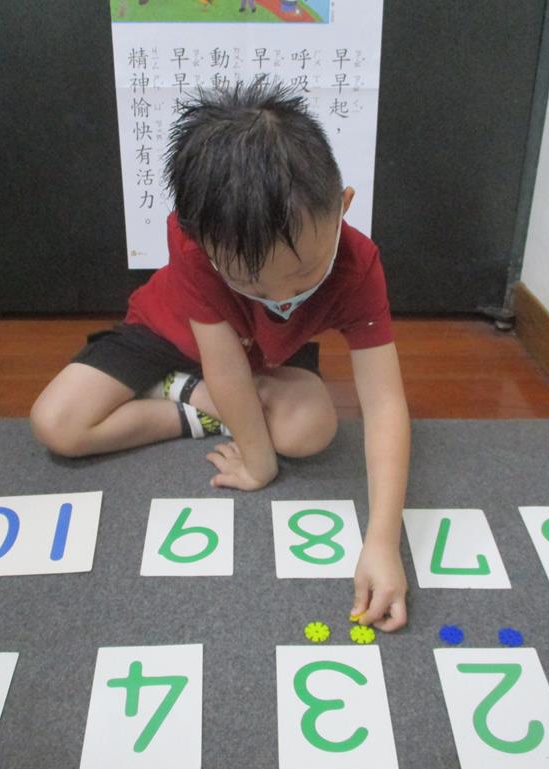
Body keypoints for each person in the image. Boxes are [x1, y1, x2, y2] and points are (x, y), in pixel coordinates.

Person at [31, 77, 410, 631]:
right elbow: (223, 362)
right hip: (168, 332)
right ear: (201, 241)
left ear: (343, 207)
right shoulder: (193, 243)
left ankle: (188, 401)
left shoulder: (358, 264)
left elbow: (384, 403)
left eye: (303, 273)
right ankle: (197, 394)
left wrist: (382, 541)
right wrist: (257, 462)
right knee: (57, 424)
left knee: (311, 431)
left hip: (268, 360)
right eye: (250, 282)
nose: (280, 297)